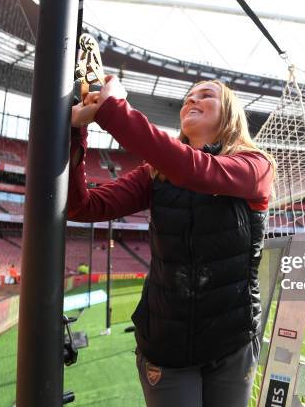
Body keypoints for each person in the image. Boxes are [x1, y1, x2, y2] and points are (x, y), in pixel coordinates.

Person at [69, 75, 275, 407]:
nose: (191, 100)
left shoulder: (256, 166)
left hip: (231, 339)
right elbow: (81, 206)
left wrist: (115, 110)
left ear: (231, 114)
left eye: (206, 95)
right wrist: (76, 131)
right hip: (165, 343)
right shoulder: (155, 173)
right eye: (187, 97)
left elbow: (197, 172)